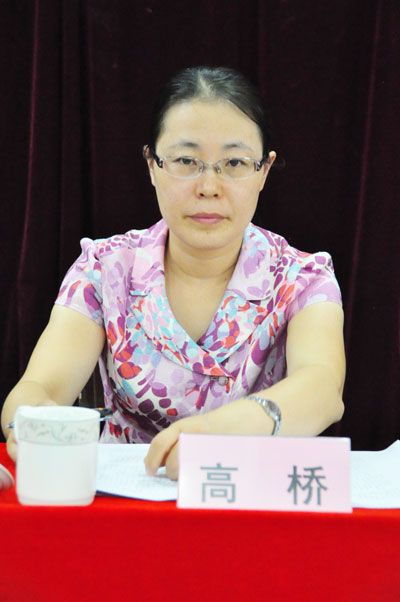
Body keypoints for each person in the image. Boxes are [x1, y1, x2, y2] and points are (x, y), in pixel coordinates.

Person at [1, 66, 345, 479]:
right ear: (152, 165)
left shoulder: (302, 277)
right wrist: (30, 421)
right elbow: (43, 385)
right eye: (186, 161)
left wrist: (218, 433)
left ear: (264, 171)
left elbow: (322, 388)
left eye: (235, 162)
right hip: (126, 495)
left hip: (248, 491)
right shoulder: (105, 268)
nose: (209, 186)